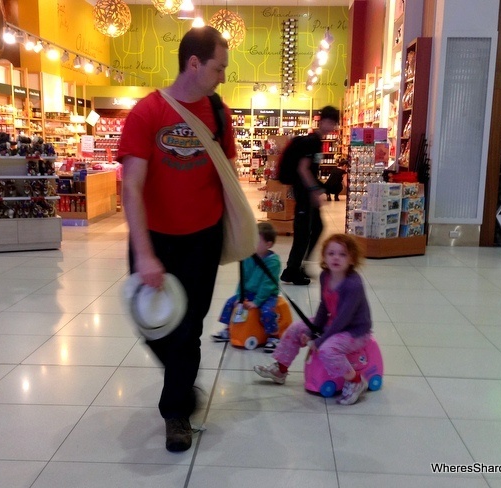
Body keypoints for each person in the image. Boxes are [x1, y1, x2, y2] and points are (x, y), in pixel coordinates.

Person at [117, 26, 235, 453]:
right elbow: (131, 187)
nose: (223, 75)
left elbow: (228, 179)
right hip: (155, 241)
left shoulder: (220, 115)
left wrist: (245, 236)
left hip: (202, 239)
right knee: (154, 325)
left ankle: (176, 412)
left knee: (189, 327)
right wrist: (145, 254)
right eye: (218, 67)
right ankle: (183, 383)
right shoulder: (147, 113)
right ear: (194, 64)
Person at [254, 233, 372, 405]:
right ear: (324, 257)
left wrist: (320, 340)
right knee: (295, 329)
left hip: (354, 330)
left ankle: (356, 382)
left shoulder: (353, 284)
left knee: (326, 349)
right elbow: (324, 307)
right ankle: (280, 369)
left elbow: (343, 320)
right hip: (334, 323)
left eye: (342, 254)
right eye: (331, 253)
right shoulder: (326, 276)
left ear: (352, 259)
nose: (336, 258)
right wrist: (312, 330)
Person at [280, 105, 340, 285]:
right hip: (304, 193)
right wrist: (314, 191)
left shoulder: (317, 141)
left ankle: (301, 265)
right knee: (303, 232)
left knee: (317, 227)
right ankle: (292, 270)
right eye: (328, 122)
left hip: (307, 192)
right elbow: (303, 168)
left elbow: (310, 170)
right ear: (320, 121)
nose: (331, 126)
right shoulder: (312, 141)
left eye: (334, 123)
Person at [212, 222, 281, 352]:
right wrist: (240, 296)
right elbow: (242, 278)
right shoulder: (248, 257)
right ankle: (228, 329)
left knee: (267, 311)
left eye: (257, 241)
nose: (252, 243)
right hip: (248, 293)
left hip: (266, 295)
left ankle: (274, 335)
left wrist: (257, 302)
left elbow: (267, 285)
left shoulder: (273, 262)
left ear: (268, 244)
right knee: (230, 303)